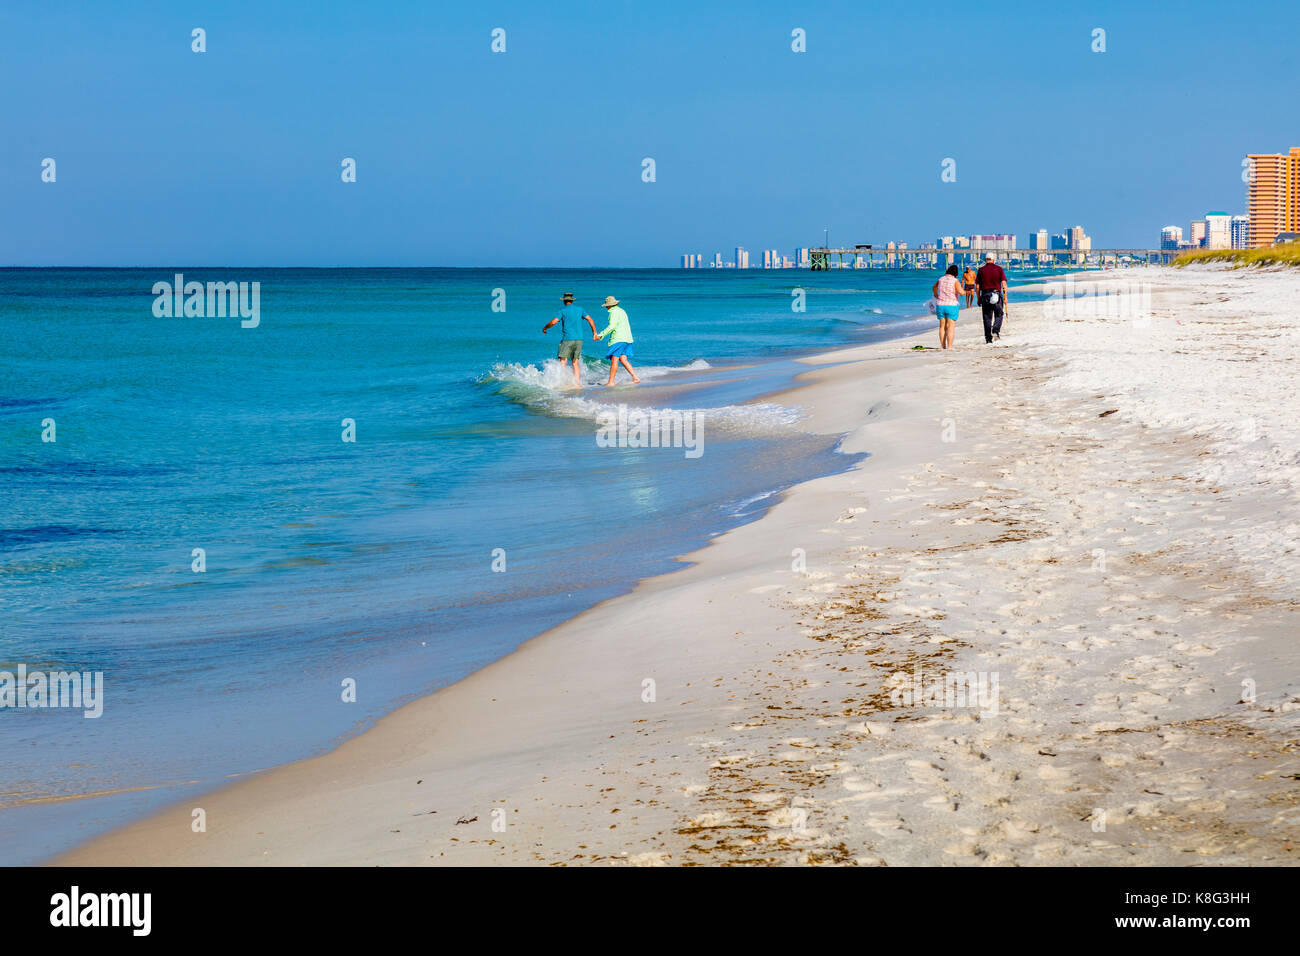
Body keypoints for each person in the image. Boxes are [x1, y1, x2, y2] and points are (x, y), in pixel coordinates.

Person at [542, 292, 597, 388]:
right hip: (579, 339)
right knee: (575, 362)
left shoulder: (562, 311)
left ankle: (560, 383)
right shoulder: (580, 309)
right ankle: (577, 384)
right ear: (572, 300)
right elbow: (590, 320)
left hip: (567, 339)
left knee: (563, 361)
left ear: (564, 301)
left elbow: (554, 322)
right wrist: (594, 333)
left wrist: (545, 328)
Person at [595, 295, 639, 386]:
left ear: (609, 305)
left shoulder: (613, 312)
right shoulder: (622, 310)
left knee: (614, 360)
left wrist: (600, 335)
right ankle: (635, 377)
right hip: (627, 338)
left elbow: (612, 326)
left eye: (606, 305)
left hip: (618, 339)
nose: (606, 307)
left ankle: (611, 382)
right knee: (623, 359)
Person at [975, 253, 1008, 343]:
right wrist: (1005, 297)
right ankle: (995, 331)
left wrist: (978, 298)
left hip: (985, 295)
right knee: (999, 314)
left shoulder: (981, 270)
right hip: (996, 294)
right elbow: (1004, 285)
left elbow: (977, 286)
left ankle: (988, 339)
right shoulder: (999, 269)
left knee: (987, 318)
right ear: (994, 260)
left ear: (986, 260)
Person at [932, 265, 962, 350]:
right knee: (950, 327)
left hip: (940, 305)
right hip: (951, 305)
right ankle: (949, 346)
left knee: (942, 326)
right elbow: (960, 292)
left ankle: (942, 346)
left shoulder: (941, 279)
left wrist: (936, 295)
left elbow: (934, 287)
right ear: (956, 273)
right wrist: (964, 292)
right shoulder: (955, 280)